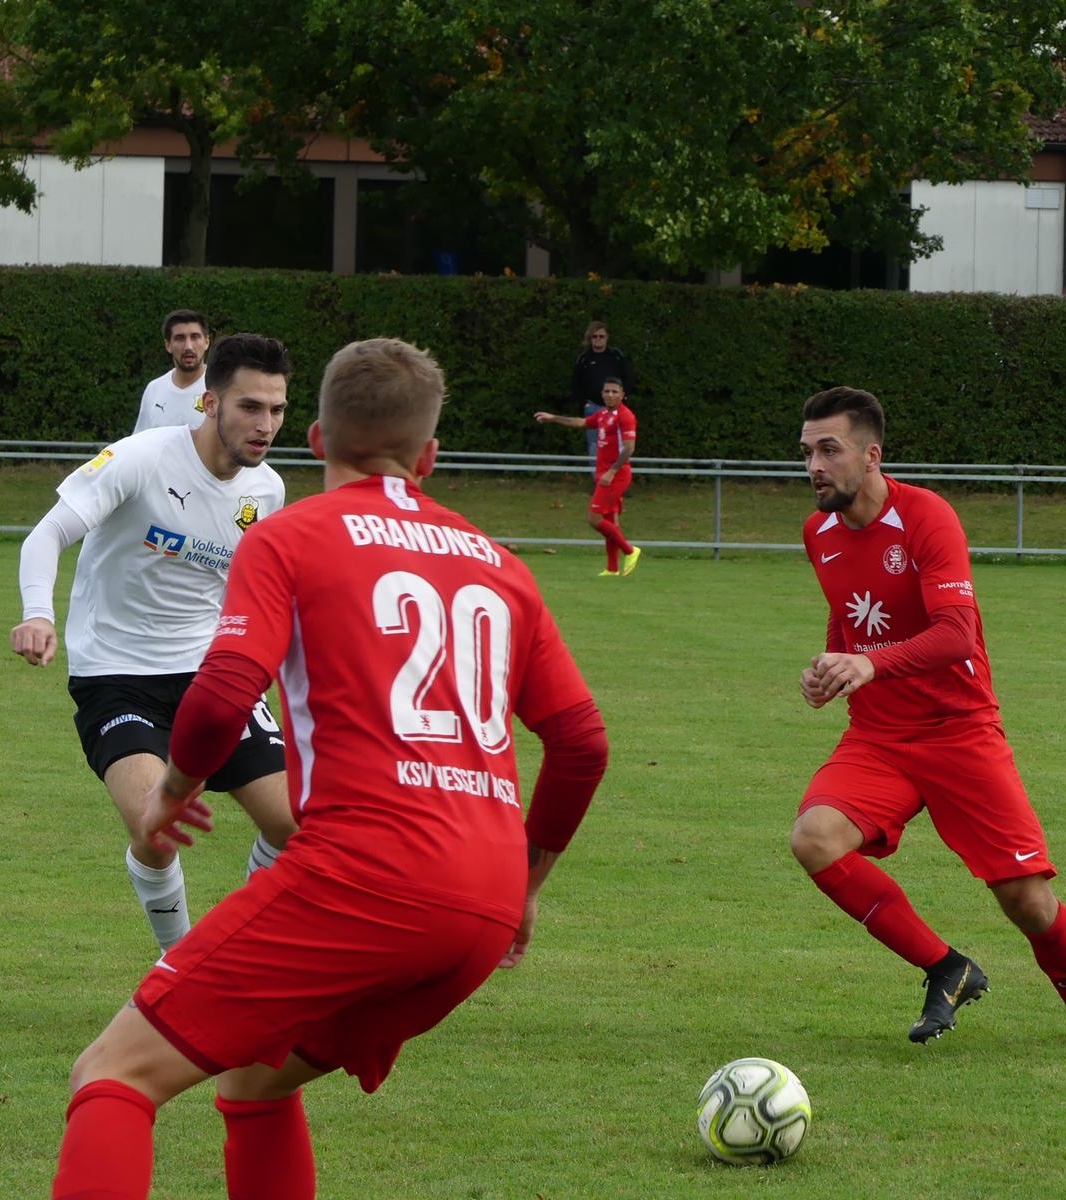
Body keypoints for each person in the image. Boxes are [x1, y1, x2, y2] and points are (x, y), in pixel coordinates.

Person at [49, 338, 609, 1200]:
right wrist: (527, 884)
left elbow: (222, 693)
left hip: (364, 876)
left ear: (315, 438)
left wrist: (172, 791)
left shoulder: (292, 535)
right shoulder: (500, 564)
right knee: (255, 1081)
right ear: (429, 456)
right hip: (484, 903)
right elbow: (582, 743)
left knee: (113, 1074)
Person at [792, 385, 1066, 1051]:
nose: (814, 466)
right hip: (879, 737)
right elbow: (848, 612)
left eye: (829, 450)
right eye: (807, 452)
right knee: (814, 839)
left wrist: (870, 663)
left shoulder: (927, 518)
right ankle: (947, 967)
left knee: (1027, 901)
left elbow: (956, 635)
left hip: (960, 732)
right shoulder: (819, 533)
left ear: (871, 455)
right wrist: (834, 666)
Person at [12, 333, 298, 954]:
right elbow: (46, 535)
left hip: (213, 677)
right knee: (155, 830)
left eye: (277, 410)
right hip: (117, 677)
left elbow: (255, 593)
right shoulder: (138, 459)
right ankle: (180, 962)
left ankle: (236, 948)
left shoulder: (268, 491)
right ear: (210, 403)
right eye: (250, 407)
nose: (266, 425)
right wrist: (38, 614)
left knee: (297, 826)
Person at [534, 378, 642, 577]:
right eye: (607, 391)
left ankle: (629, 550)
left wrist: (612, 472)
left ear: (622, 394)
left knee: (594, 518)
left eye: (614, 391)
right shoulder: (602, 414)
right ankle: (612, 569)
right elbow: (581, 422)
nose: (610, 395)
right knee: (609, 521)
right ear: (602, 393)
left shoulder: (625, 416)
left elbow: (629, 448)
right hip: (603, 474)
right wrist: (553, 418)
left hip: (616, 475)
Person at [133, 309, 212, 434]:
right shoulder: (154, 390)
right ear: (168, 345)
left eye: (195, 337)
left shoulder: (221, 387)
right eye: (180, 338)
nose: (188, 346)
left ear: (206, 342)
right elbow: (141, 441)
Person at [569, 320, 633, 458]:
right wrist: (584, 403)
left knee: (617, 443)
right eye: (595, 336)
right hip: (593, 407)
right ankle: (597, 472)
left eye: (601, 336)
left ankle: (615, 471)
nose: (598, 339)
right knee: (594, 445)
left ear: (607, 337)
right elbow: (575, 383)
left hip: (615, 409)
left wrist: (624, 399)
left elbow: (627, 378)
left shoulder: (616, 356)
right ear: (590, 338)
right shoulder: (584, 358)